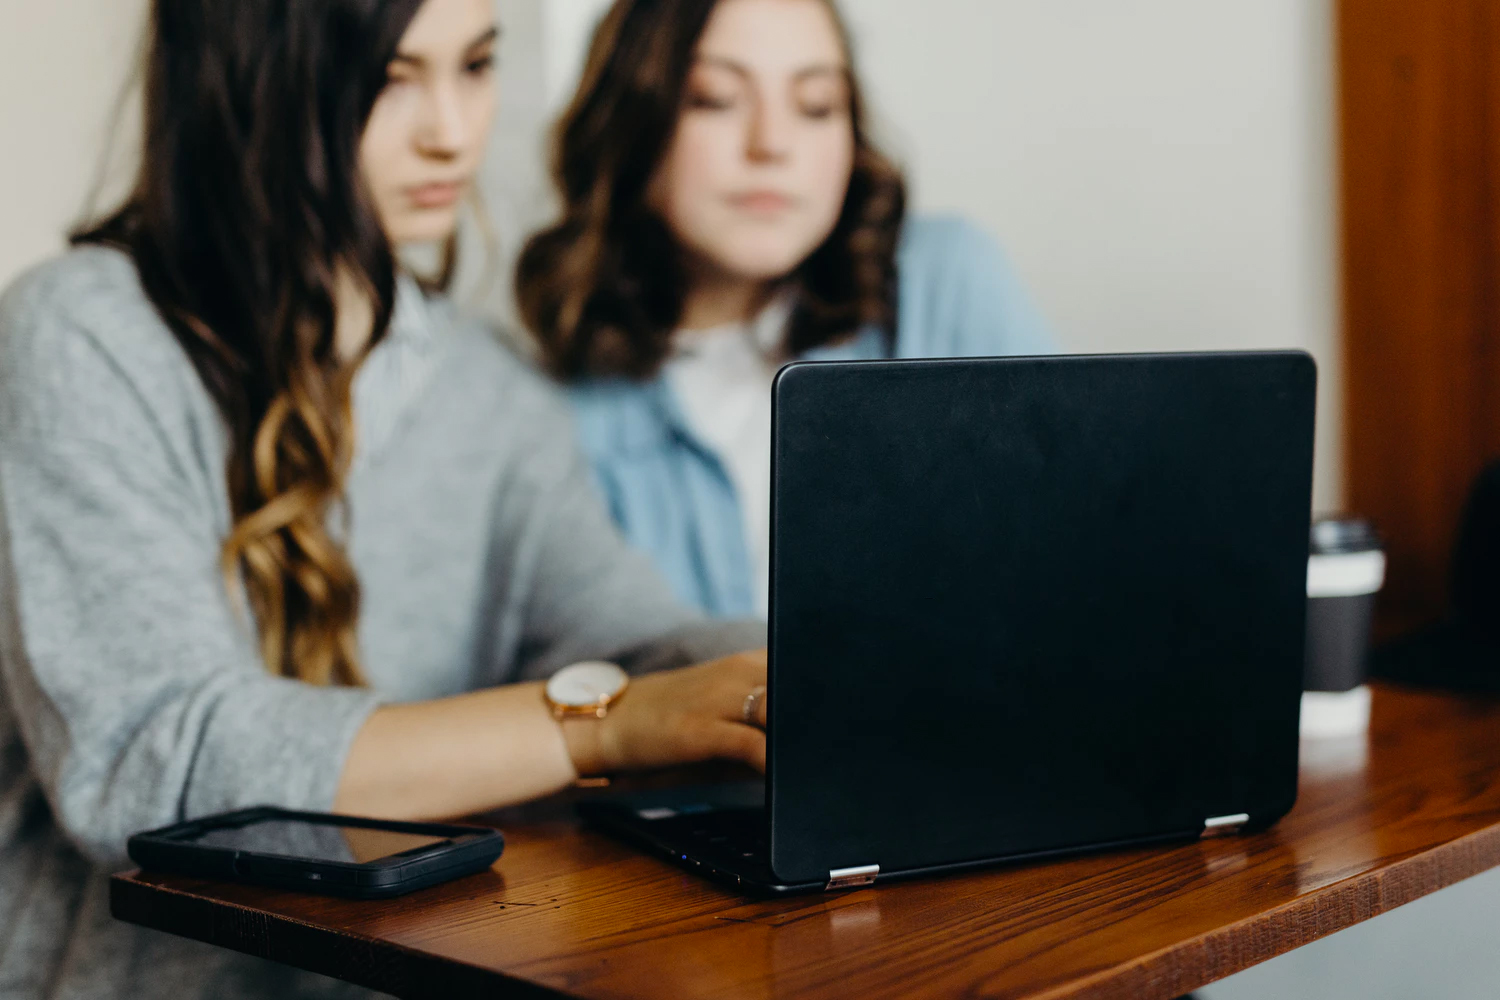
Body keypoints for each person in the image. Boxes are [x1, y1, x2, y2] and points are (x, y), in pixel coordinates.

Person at [0, 1, 771, 997]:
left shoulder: (493, 390)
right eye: (394, 77)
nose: (451, 128)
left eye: (477, 65)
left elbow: (634, 641)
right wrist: (602, 725)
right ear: (254, 86)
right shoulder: (81, 336)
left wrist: (800, 673)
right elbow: (154, 757)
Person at [516, 0, 1057, 619]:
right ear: (628, 120)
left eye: (817, 105)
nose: (771, 144)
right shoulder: (546, 407)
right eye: (714, 98)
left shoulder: (944, 282)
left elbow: (1074, 561)